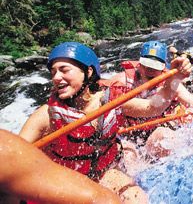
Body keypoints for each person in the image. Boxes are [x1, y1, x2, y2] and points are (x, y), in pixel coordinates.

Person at [19, 42, 148, 202]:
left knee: (136, 198)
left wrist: (175, 80)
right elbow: (15, 156)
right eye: (53, 72)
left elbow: (152, 107)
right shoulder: (46, 115)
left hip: (102, 173)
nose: (56, 77)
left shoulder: (110, 101)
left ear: (88, 71)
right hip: (64, 183)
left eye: (64, 70)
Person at [106, 40, 193, 158]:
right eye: (146, 65)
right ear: (139, 64)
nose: (150, 70)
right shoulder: (122, 82)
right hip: (128, 135)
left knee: (164, 139)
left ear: (163, 67)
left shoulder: (168, 80)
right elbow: (151, 107)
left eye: (155, 67)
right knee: (127, 156)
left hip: (155, 130)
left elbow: (190, 99)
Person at [0, 129, 121, 204]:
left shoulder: (5, 152)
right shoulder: (46, 115)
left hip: (103, 174)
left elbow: (102, 199)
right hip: (65, 178)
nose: (58, 85)